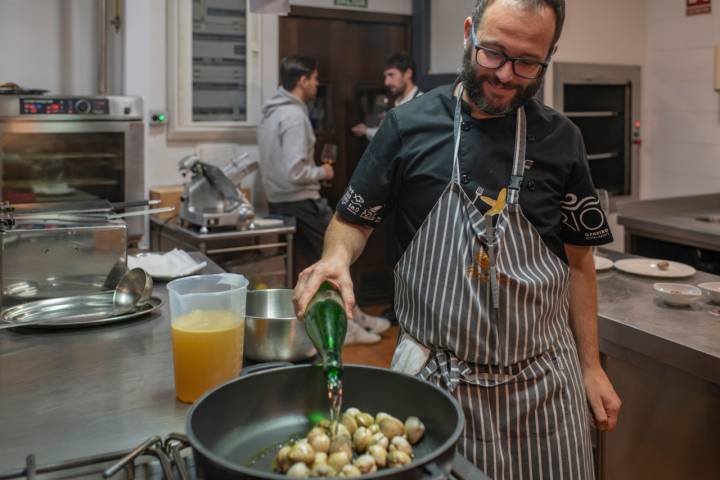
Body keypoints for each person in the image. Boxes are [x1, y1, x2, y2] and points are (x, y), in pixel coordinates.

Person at [294, 1, 621, 478]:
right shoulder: (407, 127)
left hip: (546, 387)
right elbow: (353, 222)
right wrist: (335, 257)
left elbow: (579, 262)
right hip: (435, 381)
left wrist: (590, 367)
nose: (507, 75)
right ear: (469, 33)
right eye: (493, 52)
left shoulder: (562, 140)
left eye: (527, 62)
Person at [258, 55, 390, 344]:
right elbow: (294, 170)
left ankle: (355, 315)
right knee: (337, 257)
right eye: (315, 79)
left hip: (280, 201)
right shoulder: (293, 115)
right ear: (302, 80)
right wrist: (322, 170)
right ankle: (347, 327)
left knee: (316, 263)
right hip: (301, 200)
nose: (317, 84)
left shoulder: (270, 113)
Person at [351, 52, 423, 141]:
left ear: (408, 73)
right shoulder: (397, 102)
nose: (386, 82)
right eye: (385, 76)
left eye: (391, 75)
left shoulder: (422, 103)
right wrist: (366, 130)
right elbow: (388, 134)